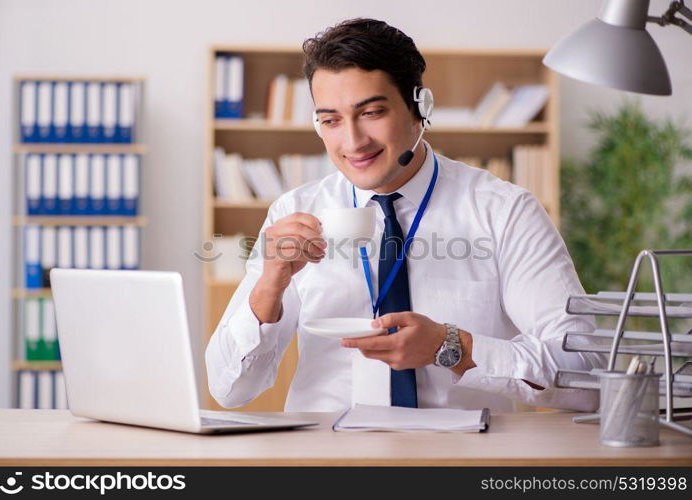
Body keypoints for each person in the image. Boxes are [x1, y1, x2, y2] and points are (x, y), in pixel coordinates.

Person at [205, 18, 604, 413]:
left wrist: (451, 347)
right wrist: (267, 290)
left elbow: (588, 378)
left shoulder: (504, 212)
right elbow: (229, 390)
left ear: (420, 107)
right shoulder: (294, 212)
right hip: (328, 457)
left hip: (464, 458)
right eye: (331, 120)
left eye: (372, 113)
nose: (353, 141)